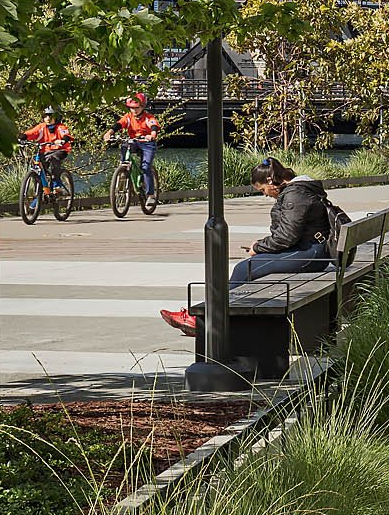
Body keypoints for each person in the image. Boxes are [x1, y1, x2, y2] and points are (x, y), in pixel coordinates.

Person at [160, 157, 333, 335]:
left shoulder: (294, 195)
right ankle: (211, 318)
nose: (265, 194)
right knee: (252, 265)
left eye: (263, 190)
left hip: (310, 254)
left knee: (245, 268)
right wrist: (261, 247)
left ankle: (204, 321)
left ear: (269, 181)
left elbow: (286, 236)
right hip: (310, 251)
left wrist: (258, 247)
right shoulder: (298, 191)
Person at [116, 92, 160, 204]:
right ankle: (124, 167)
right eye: (131, 108)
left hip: (147, 143)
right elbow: (119, 124)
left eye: (137, 108)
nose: (134, 110)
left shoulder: (148, 117)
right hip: (134, 141)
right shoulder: (129, 117)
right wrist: (109, 133)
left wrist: (152, 135)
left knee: (145, 167)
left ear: (142, 107)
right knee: (125, 145)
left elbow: (153, 125)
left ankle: (150, 194)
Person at [22, 107, 73, 193]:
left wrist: (63, 140)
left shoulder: (60, 127)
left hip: (60, 150)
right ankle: (40, 191)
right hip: (45, 151)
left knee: (54, 160)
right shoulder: (41, 127)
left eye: (50, 116)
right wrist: (23, 136)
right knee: (38, 167)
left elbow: (66, 134)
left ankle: (57, 185)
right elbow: (32, 132)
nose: (48, 119)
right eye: (45, 116)